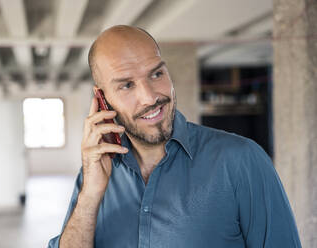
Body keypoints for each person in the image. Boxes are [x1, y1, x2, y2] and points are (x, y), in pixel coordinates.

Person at [48, 25, 301, 248]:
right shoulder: (94, 175)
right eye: (127, 85)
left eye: (156, 74)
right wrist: (90, 195)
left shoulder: (241, 161)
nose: (150, 97)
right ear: (101, 99)